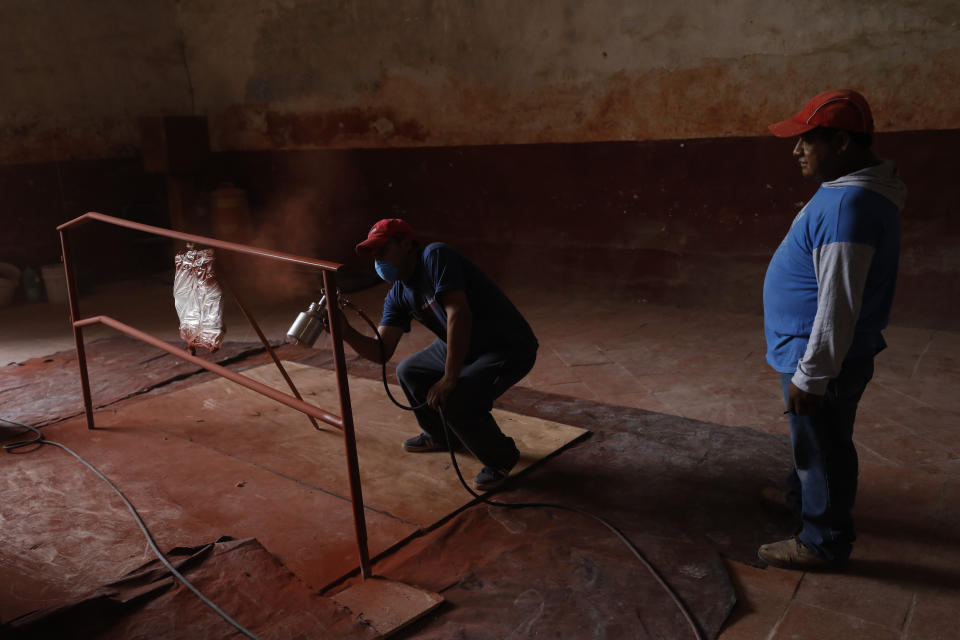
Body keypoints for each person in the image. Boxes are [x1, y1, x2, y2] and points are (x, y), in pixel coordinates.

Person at [758, 89, 906, 570]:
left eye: (806, 140)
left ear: (841, 141)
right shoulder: (854, 191)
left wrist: (812, 375)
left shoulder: (850, 207)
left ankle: (822, 541)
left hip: (819, 356)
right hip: (816, 351)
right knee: (816, 442)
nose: (796, 150)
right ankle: (803, 501)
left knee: (822, 447)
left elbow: (838, 303)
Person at [334, 218, 539, 491]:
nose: (377, 259)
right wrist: (345, 332)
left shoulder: (435, 256)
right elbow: (381, 351)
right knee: (408, 372)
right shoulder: (398, 294)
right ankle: (441, 436)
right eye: (373, 254)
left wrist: (449, 378)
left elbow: (459, 314)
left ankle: (502, 457)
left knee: (455, 397)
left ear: (406, 243)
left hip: (505, 344)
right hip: (466, 345)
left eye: (382, 250)